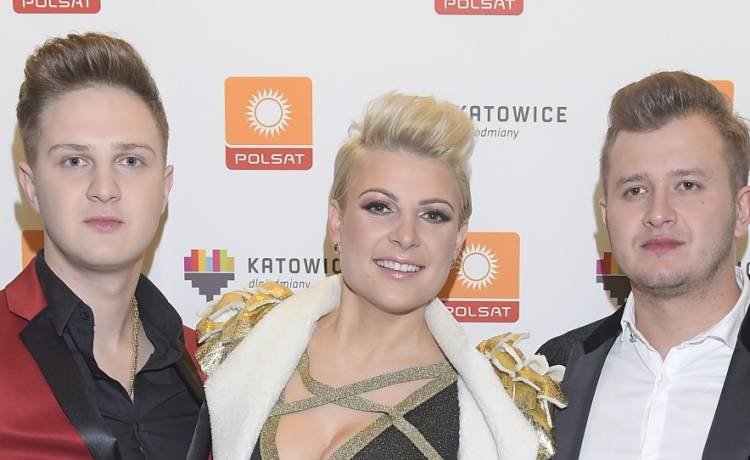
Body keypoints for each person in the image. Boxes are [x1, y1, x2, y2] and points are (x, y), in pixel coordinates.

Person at [194, 92, 565, 459]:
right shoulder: (249, 342)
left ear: (458, 240)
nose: (406, 235)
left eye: (433, 215)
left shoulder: (494, 410)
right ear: (337, 221)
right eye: (380, 207)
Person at [0, 33, 205, 459]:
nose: (105, 188)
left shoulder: (212, 366)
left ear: (164, 187)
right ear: (31, 186)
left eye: (130, 161)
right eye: (75, 161)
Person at [538, 71, 750, 460]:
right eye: (635, 190)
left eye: (687, 185)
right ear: (607, 216)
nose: (658, 213)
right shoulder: (554, 369)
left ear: (741, 210)